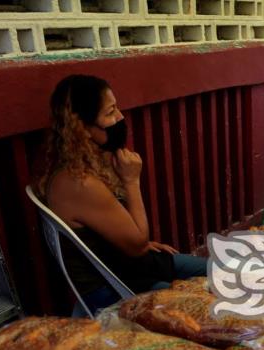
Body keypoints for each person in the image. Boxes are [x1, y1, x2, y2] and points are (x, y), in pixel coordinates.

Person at [39, 74, 207, 314]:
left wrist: (138, 241)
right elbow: (136, 245)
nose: (120, 117)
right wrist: (131, 181)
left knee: (223, 271)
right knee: (204, 303)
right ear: (82, 128)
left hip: (128, 265)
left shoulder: (83, 163)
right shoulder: (79, 182)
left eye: (116, 108)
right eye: (110, 113)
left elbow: (119, 236)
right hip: (115, 289)